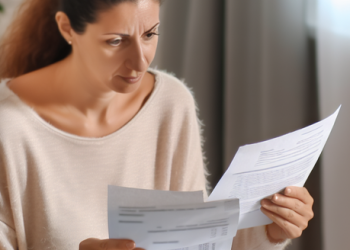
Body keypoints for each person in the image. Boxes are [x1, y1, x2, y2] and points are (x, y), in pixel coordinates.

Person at [0, 0, 314, 249]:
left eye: (150, 34)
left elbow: (195, 242)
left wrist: (270, 228)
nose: (140, 61)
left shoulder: (171, 104)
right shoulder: (9, 127)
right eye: (115, 41)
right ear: (67, 28)